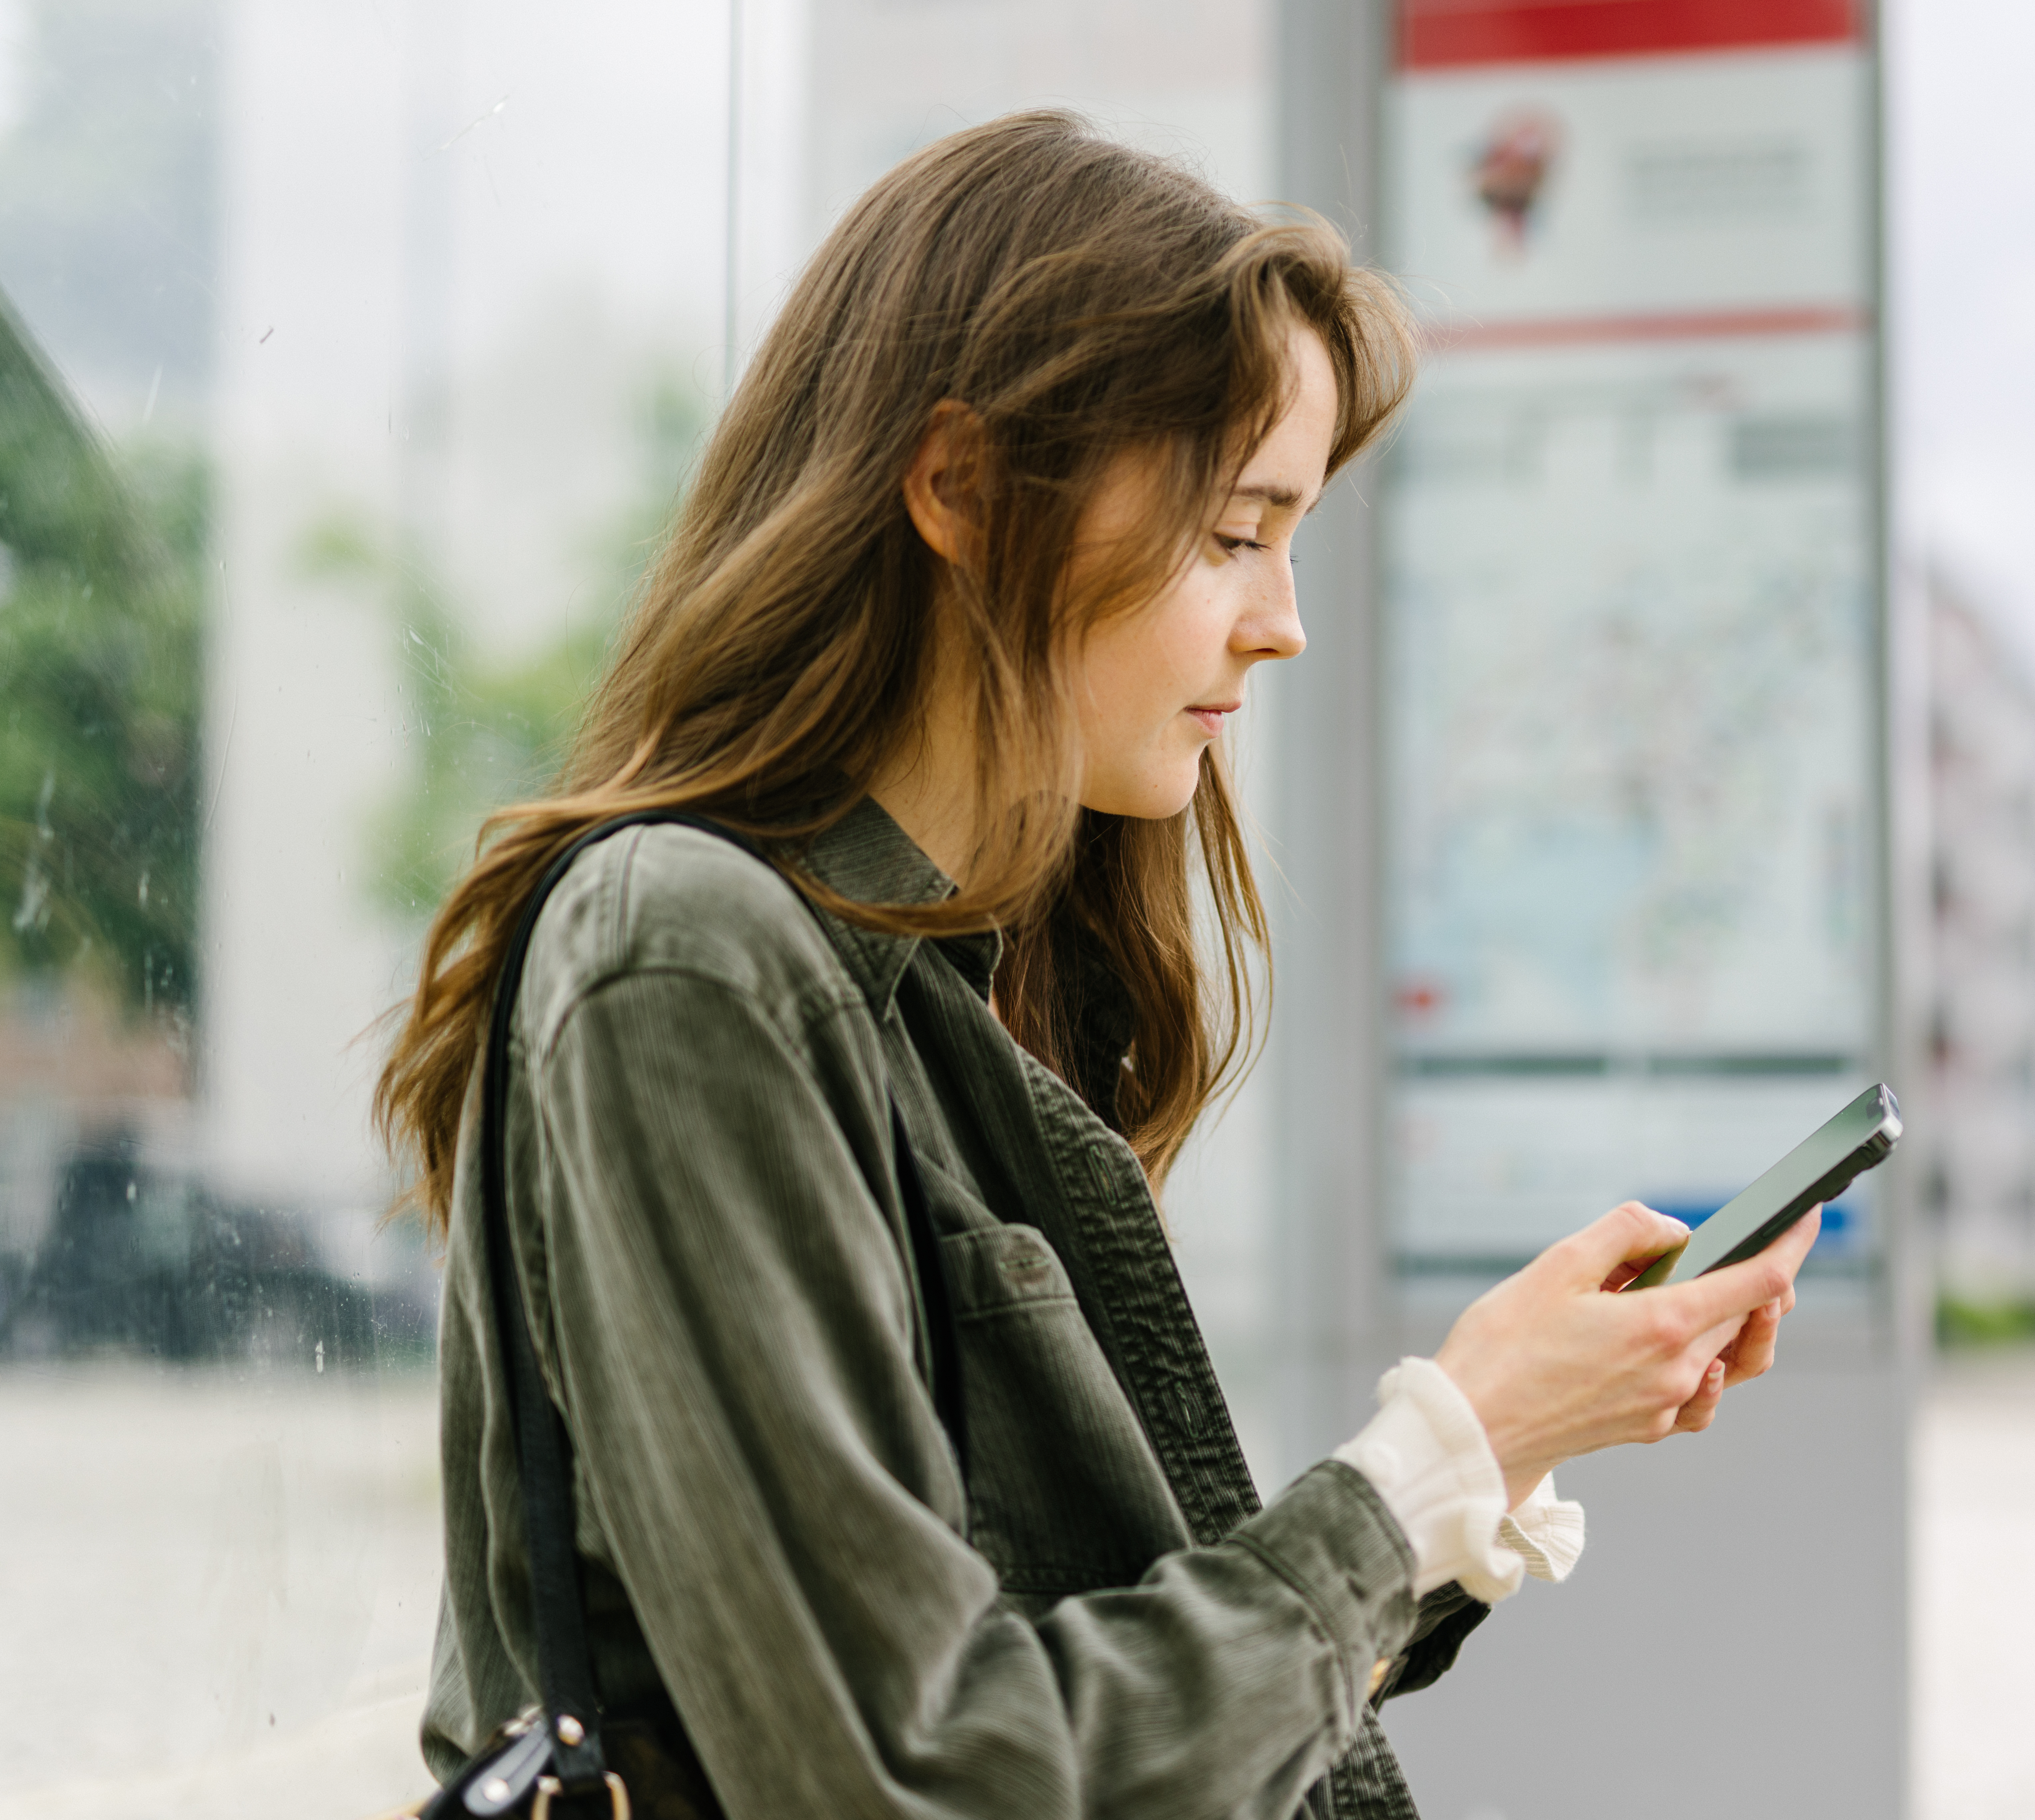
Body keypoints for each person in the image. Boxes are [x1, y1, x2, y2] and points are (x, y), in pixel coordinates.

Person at [376, 110, 1818, 1820]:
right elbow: (917, 1773)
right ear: (963, 490)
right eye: (1230, 531)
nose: (1281, 616)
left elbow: (1074, 1663)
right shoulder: (692, 961)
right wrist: (1435, 1458)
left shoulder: (938, 974)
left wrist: (1496, 1446)